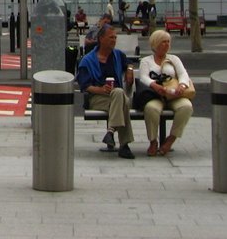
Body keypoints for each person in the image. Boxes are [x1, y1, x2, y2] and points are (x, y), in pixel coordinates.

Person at [76, 24, 136, 159]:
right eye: (111, 37)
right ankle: (124, 145)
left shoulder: (118, 55)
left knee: (119, 95)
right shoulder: (87, 60)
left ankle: (111, 132)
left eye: (115, 37)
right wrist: (101, 89)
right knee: (122, 99)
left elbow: (129, 63)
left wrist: (130, 70)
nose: (114, 40)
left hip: (116, 97)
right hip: (97, 98)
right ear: (101, 39)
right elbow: (85, 86)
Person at [137, 29, 194, 156]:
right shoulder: (146, 61)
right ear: (155, 43)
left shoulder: (174, 59)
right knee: (151, 108)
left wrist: (182, 85)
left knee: (186, 107)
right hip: (155, 95)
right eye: (163, 42)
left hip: (174, 95)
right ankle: (153, 141)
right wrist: (155, 85)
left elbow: (183, 74)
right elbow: (144, 77)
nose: (167, 44)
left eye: (168, 42)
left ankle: (171, 139)